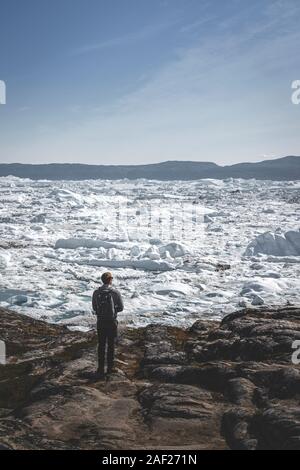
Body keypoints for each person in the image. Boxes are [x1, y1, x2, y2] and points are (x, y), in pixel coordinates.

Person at [92, 272, 124, 378]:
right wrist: (113, 311)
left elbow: (95, 308)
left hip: (101, 321)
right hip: (111, 322)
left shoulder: (96, 292)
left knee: (101, 344)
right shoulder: (115, 292)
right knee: (111, 345)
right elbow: (121, 307)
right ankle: (110, 368)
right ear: (110, 280)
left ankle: (100, 368)